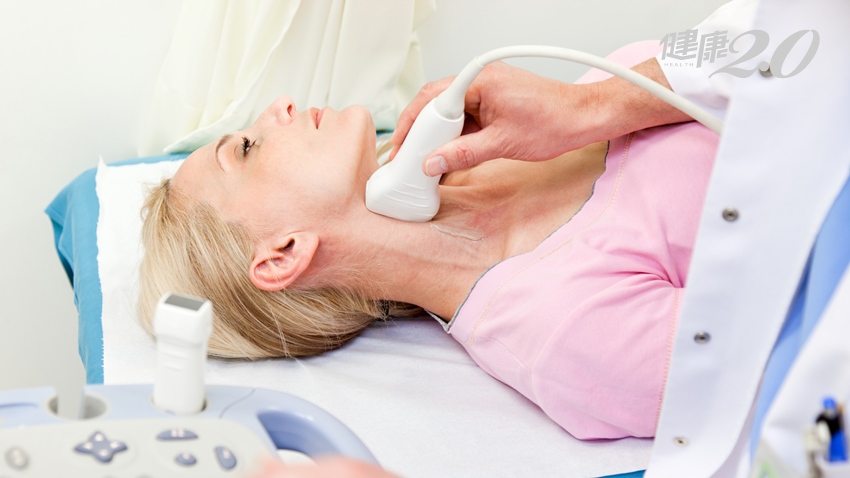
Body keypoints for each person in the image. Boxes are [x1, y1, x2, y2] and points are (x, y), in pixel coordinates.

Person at [138, 42, 719, 448]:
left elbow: (760, 48)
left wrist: (595, 105)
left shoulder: (503, 128)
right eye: (246, 148)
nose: (279, 106)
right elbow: (772, 378)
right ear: (284, 252)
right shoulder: (565, 330)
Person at [390, 0, 850, 476]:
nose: (308, 105)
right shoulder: (563, 324)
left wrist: (592, 104)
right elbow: (788, 352)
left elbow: (797, 36)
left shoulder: (555, 116)